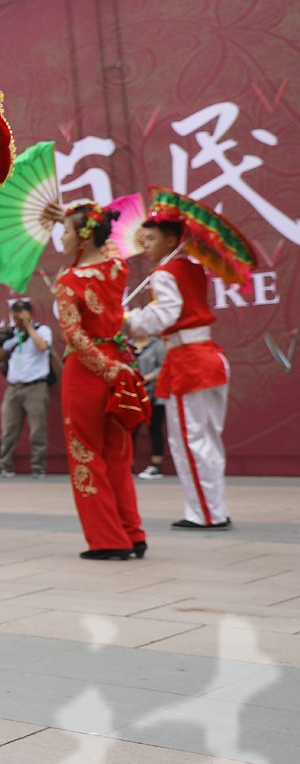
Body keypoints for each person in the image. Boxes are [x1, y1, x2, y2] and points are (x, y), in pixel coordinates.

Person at [55, 202, 148, 558]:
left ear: (81, 236)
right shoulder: (116, 268)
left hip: (87, 374)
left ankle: (108, 540)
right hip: (118, 366)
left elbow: (75, 338)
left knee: (86, 455)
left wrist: (105, 369)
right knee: (118, 456)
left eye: (65, 231)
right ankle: (133, 534)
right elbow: (105, 243)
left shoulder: (67, 283)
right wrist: (115, 369)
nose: (59, 238)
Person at [126, 215, 232, 529]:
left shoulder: (164, 273)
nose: (145, 244)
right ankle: (213, 510)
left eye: (151, 238)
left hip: (189, 359)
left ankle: (206, 515)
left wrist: (129, 319)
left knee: (190, 440)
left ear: (172, 240)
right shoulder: (195, 269)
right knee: (206, 439)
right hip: (205, 355)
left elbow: (164, 315)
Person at [0, 298, 55, 478]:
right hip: (13, 388)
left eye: (20, 317)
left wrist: (29, 327)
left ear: (29, 314)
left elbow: (43, 347)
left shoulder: (42, 330)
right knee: (9, 429)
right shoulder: (12, 333)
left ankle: (38, 466)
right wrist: (1, 340)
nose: (17, 321)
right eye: (15, 318)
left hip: (35, 387)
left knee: (37, 428)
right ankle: (5, 465)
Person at [131, 329, 167, 479]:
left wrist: (146, 378)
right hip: (133, 393)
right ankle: (128, 466)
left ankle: (155, 467)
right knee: (130, 430)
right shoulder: (127, 344)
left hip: (155, 392)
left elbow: (164, 366)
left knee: (155, 428)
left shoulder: (158, 344)